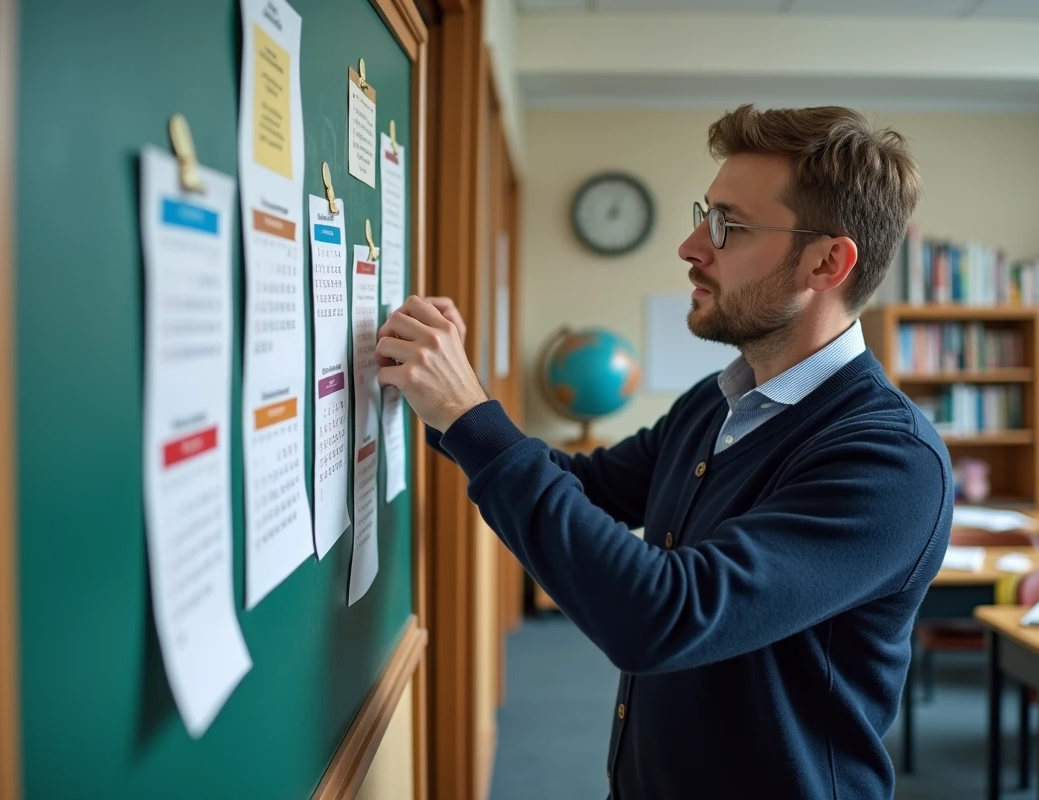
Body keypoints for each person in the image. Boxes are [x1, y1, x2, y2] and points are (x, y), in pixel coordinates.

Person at [374, 104, 953, 799]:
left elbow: (665, 614)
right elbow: (588, 487)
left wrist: (470, 415)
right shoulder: (718, 400)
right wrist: (446, 408)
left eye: (726, 226)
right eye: (703, 214)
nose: (689, 246)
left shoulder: (890, 462)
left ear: (827, 262)